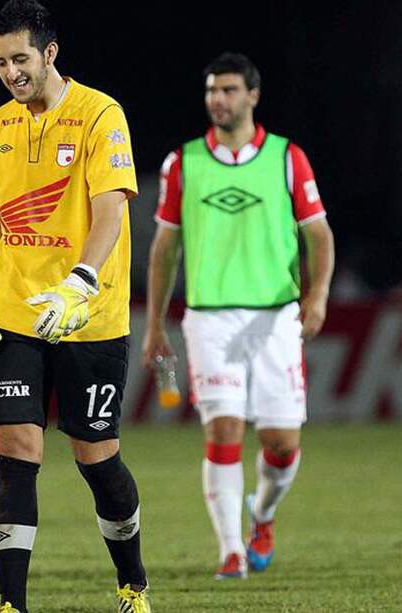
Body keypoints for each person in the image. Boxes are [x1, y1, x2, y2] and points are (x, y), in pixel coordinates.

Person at [0, 1, 151, 611]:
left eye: (20, 59)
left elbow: (112, 210)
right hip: (15, 317)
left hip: (87, 315)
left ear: (50, 53)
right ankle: (10, 603)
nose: (11, 72)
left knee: (96, 456)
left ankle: (133, 583)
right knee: (16, 450)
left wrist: (79, 284)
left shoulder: (100, 115)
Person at [142, 52, 334, 579]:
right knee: (222, 430)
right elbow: (165, 248)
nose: (217, 100)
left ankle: (262, 516)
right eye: (211, 91)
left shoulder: (286, 157)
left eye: (228, 90)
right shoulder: (183, 163)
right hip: (210, 319)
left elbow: (318, 233)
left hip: (275, 318)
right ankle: (230, 549)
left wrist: (316, 299)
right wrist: (156, 324)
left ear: (252, 95)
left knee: (281, 443)